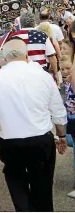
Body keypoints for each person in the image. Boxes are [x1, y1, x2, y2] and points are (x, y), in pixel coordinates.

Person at [0, 37, 67, 211]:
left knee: (16, 182)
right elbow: (58, 111)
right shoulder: (42, 76)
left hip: (9, 140)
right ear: (26, 55)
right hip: (40, 138)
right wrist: (62, 135)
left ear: (5, 57)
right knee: (42, 185)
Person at [10, 12, 59, 87]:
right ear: (34, 23)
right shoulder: (43, 35)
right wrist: (56, 74)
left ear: (21, 23)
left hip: (22, 75)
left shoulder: (13, 37)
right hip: (41, 73)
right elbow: (52, 57)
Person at [59, 55, 75, 199]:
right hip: (70, 120)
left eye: (68, 68)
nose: (64, 71)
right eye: (62, 69)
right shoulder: (67, 83)